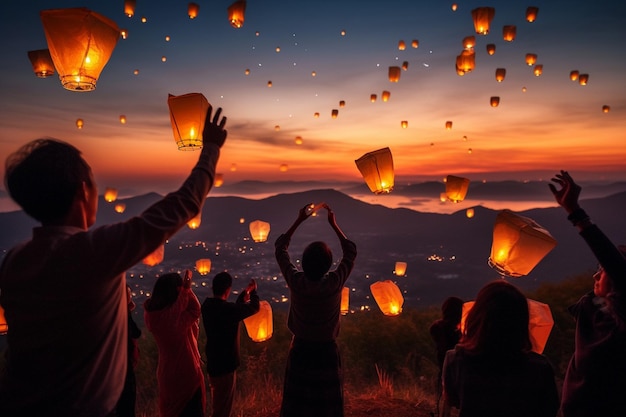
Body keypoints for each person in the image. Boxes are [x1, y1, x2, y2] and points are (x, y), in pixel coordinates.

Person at [0, 105, 227, 417]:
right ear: (83, 189)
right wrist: (211, 148)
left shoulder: (15, 260)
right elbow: (183, 204)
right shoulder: (93, 252)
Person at [549, 170, 626, 417]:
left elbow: (616, 265)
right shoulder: (591, 310)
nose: (595, 275)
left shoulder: (621, 326)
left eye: (602, 271)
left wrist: (576, 214)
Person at [275, 203, 357, 417]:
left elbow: (280, 249)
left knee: (297, 406)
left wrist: (299, 220)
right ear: (329, 264)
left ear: (303, 263)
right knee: (326, 407)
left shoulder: (296, 282)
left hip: (300, 350)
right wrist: (334, 225)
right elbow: (350, 252)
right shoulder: (334, 283)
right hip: (326, 352)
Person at [442, 280, 559, 417]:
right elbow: (549, 409)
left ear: (477, 316)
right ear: (521, 321)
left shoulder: (455, 359)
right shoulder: (540, 367)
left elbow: (453, 400)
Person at [144, 270, 205, 417]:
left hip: (166, 376)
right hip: (187, 374)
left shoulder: (152, 317)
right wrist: (186, 290)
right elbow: (195, 309)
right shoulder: (177, 322)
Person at [201, 273, 260, 417]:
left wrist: (244, 294)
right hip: (226, 366)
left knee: (218, 404)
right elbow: (254, 307)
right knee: (222, 409)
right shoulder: (228, 310)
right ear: (228, 290)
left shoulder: (207, 306)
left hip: (213, 363)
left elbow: (233, 310)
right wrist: (254, 292)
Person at [429, 296, 463, 417]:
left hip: (443, 367)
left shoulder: (439, 328)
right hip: (457, 371)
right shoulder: (455, 332)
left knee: (444, 400)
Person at [116, 284, 142, 417]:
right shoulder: (121, 315)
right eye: (128, 295)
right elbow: (136, 332)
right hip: (123, 369)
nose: (130, 298)